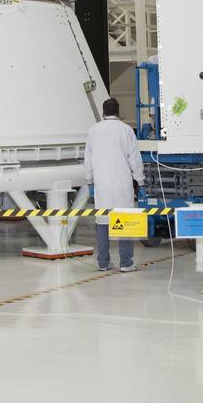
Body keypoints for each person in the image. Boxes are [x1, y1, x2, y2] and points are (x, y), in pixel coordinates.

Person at [83, 97, 144, 272]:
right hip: (122, 184)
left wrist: (90, 181)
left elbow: (88, 159)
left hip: (102, 184)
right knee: (125, 219)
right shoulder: (125, 130)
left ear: (103, 112)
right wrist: (140, 182)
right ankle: (126, 263)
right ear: (118, 112)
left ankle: (103, 262)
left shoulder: (93, 131)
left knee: (102, 221)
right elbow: (134, 159)